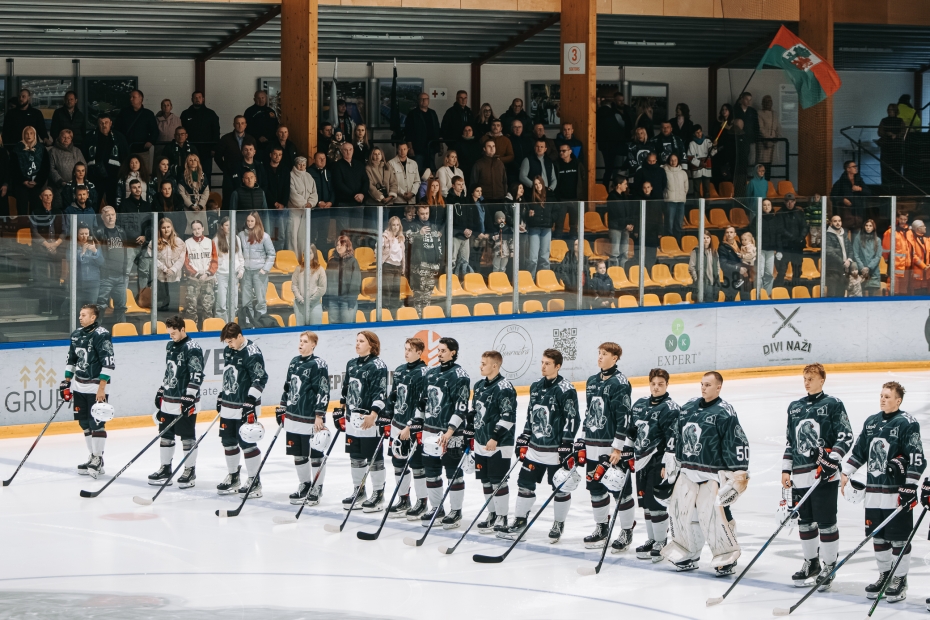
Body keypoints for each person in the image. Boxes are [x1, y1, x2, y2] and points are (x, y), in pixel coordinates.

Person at [841, 381, 924, 602]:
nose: (883, 399)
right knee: (878, 537)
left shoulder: (907, 423)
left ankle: (899, 579)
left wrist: (910, 484)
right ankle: (884, 575)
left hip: (895, 494)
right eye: (881, 395)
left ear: (898, 400)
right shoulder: (871, 423)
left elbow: (917, 457)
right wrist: (845, 472)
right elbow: (859, 451)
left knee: (898, 539)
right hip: (874, 493)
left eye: (888, 396)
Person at [661, 371, 749, 575]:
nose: (703, 388)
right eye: (702, 384)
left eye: (708, 385)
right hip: (688, 470)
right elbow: (677, 433)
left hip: (712, 474)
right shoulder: (689, 407)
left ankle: (727, 555)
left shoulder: (725, 412)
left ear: (719, 387)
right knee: (682, 513)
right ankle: (688, 552)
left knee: (716, 514)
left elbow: (736, 441)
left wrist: (738, 473)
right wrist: (671, 457)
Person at [781, 363, 852, 591]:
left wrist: (834, 458)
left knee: (826, 523)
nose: (807, 382)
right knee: (805, 522)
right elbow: (791, 442)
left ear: (822, 380)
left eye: (811, 378)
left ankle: (829, 565)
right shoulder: (795, 407)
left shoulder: (832, 404)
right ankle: (811, 563)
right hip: (801, 477)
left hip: (824, 476)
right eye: (805, 378)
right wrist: (786, 469)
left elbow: (846, 436)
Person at [499, 348, 580, 542]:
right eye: (542, 363)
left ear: (558, 366)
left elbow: (572, 418)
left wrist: (567, 444)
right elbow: (531, 415)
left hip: (555, 451)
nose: (543, 367)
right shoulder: (535, 386)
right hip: (535, 449)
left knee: (560, 488)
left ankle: (558, 523)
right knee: (524, 485)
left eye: (548, 364)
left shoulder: (566, 389)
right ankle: (519, 521)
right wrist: (525, 436)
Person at [580, 342, 634, 550]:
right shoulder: (592, 381)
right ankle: (601, 527)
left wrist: (618, 448)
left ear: (615, 358)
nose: (600, 357)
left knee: (620, 490)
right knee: (595, 489)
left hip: (611, 449)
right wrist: (582, 441)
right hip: (592, 445)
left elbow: (624, 417)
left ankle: (626, 530)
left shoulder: (620, 383)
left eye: (605, 354)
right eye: (599, 353)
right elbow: (589, 414)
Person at [625, 368, 680, 561]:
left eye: (660, 384)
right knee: (646, 503)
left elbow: (672, 438)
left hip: (658, 461)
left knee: (656, 502)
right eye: (653, 384)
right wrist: (627, 449)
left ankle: (661, 541)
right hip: (641, 461)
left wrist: (667, 464)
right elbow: (632, 431)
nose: (656, 388)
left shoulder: (671, 408)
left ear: (667, 384)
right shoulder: (640, 404)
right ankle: (651, 539)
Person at [416, 337, 471, 528]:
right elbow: (422, 402)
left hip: (451, 435)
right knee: (431, 472)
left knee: (453, 473)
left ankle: (456, 511)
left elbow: (461, 407)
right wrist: (417, 422)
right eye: (438, 350)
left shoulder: (460, 375)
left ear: (453, 352)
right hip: (429, 432)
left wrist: (449, 432)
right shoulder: (430, 374)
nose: (439, 353)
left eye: (443, 350)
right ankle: (436, 508)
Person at [334, 331, 389, 511]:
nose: (357, 344)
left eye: (361, 341)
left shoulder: (378, 365)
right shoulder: (352, 364)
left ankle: (378, 494)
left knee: (374, 458)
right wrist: (341, 410)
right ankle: (359, 490)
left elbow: (380, 392)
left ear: (371, 345)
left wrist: (373, 415)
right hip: (352, 419)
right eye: (356, 341)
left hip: (368, 420)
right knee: (355, 457)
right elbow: (346, 390)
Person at [59, 303, 114, 478]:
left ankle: (98, 458)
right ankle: (93, 457)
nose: (80, 317)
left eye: (84, 315)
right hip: (79, 385)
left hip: (95, 387)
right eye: (80, 314)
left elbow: (109, 363)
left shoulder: (102, 335)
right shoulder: (76, 335)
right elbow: (71, 359)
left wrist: (102, 389)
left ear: (93, 317)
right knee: (84, 422)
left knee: (96, 423)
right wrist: (67, 382)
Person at [148, 315, 204, 488]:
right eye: (169, 333)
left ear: (182, 329)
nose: (171, 336)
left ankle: (190, 470)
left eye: (174, 333)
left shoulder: (193, 348)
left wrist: (189, 396)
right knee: (165, 435)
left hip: (184, 400)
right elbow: (169, 372)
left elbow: (197, 374)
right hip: (169, 399)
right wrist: (161, 390)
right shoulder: (170, 345)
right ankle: (165, 468)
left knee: (187, 437)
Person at [277, 331, 330, 505]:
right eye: (300, 341)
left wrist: (319, 415)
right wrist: (282, 407)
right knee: (298, 455)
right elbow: (287, 386)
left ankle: (317, 487)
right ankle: (305, 485)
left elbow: (323, 391)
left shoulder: (318, 364)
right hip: (293, 416)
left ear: (313, 344)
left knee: (315, 455)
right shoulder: (294, 362)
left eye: (305, 341)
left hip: (310, 418)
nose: (301, 344)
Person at [216, 322, 269, 497]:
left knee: (247, 443)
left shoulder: (252, 352)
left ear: (240, 336)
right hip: (229, 405)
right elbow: (229, 374)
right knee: (228, 442)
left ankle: (254, 481)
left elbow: (260, 378)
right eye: (227, 342)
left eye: (231, 341)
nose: (229, 345)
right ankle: (233, 477)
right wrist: (222, 395)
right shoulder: (229, 350)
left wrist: (250, 401)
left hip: (246, 406)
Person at [470, 349, 517, 534]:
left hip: (499, 443)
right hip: (481, 441)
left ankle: (502, 516)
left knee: (498, 480)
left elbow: (508, 416)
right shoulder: (480, 385)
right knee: (486, 480)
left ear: (495, 365)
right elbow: (475, 412)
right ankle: (492, 513)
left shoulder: (504, 387)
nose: (480, 366)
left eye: (484, 363)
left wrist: (495, 437)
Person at [384, 338, 430, 519]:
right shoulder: (401, 370)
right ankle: (404, 499)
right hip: (397, 424)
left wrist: (411, 426)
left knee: (417, 465)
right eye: (405, 349)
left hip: (415, 427)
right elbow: (393, 395)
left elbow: (423, 403)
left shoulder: (425, 373)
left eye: (410, 350)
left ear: (419, 352)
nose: (406, 353)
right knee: (398, 464)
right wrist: (387, 416)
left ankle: (422, 501)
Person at [30, 188, 64, 313]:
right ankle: (43, 307)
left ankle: (55, 308)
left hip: (57, 250)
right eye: (45, 195)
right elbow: (34, 232)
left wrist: (55, 244)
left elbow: (65, 231)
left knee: (56, 280)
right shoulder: (36, 212)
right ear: (41, 197)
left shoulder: (58, 212)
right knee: (43, 279)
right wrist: (47, 245)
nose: (48, 197)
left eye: (50, 195)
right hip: (41, 250)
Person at [94, 205, 129, 326]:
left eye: (112, 214)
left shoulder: (121, 231)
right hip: (106, 276)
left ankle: (122, 332)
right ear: (103, 217)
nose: (110, 217)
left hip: (120, 275)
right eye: (107, 215)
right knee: (100, 306)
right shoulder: (98, 232)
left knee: (121, 306)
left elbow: (125, 252)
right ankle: (97, 330)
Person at [238, 211, 275, 321]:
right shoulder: (241, 235)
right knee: (246, 300)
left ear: (257, 221)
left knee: (261, 300)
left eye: (252, 221)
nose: (249, 223)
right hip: (246, 272)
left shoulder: (265, 236)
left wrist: (265, 269)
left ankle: (260, 321)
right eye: (248, 221)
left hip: (259, 272)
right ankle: (248, 322)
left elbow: (271, 254)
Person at [83, 114, 129, 205]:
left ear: (111, 123)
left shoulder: (119, 137)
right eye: (101, 123)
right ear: (98, 124)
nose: (104, 125)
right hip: (94, 177)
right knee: (93, 203)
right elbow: (84, 156)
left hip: (114, 177)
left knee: (113, 203)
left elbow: (125, 157)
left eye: (106, 122)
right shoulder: (90, 137)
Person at [407, 204, 443, 317]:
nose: (424, 216)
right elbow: (409, 241)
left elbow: (438, 245)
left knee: (428, 293)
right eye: (422, 214)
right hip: (419, 265)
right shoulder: (413, 226)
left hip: (432, 264)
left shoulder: (434, 226)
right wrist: (419, 234)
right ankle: (417, 316)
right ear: (417, 213)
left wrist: (439, 259)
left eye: (426, 213)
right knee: (418, 292)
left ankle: (426, 314)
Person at [180, 91, 221, 184]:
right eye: (195, 97)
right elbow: (181, 132)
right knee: (189, 174)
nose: (197, 99)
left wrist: (214, 148)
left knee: (206, 175)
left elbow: (216, 132)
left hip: (206, 151)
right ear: (192, 100)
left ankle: (206, 197)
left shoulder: (211, 114)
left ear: (203, 99)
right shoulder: (185, 114)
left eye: (199, 97)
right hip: (189, 151)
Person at [182, 220, 217, 327]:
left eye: (198, 228)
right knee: (191, 307)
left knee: (208, 307)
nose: (197, 231)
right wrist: (196, 274)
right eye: (194, 229)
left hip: (208, 280)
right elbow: (186, 263)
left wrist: (208, 273)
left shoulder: (210, 242)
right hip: (193, 280)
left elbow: (215, 260)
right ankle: (192, 328)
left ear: (203, 228)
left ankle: (208, 329)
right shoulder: (187, 243)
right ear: (191, 230)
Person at [115, 90, 159, 173]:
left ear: (140, 99)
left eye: (133, 97)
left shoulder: (148, 114)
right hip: (126, 150)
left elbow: (155, 131)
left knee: (144, 174)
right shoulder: (124, 113)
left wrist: (150, 141)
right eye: (130, 97)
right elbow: (117, 130)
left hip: (142, 150)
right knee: (126, 173)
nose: (131, 99)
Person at [332, 142, 369, 237]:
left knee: (357, 233)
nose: (348, 152)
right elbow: (338, 184)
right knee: (344, 234)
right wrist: (354, 195)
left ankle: (355, 252)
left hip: (358, 204)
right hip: (343, 204)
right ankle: (344, 252)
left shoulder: (359, 165)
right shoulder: (337, 166)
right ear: (341, 151)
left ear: (353, 150)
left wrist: (362, 194)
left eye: (350, 149)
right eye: (345, 150)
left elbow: (366, 181)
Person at [596, 91, 633, 186]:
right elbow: (623, 125)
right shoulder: (613, 113)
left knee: (608, 168)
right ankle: (618, 183)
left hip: (604, 145)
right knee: (632, 152)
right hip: (616, 143)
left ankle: (605, 188)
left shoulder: (597, 114)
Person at [11, 126, 49, 215]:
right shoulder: (17, 149)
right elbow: (14, 168)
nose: (29, 135)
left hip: (36, 186)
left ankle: (35, 228)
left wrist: (37, 181)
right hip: (21, 186)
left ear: (35, 135)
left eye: (31, 133)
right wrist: (23, 181)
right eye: (26, 133)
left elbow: (45, 168)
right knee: (22, 210)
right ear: (23, 135)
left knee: (36, 211)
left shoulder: (42, 149)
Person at [151, 217, 186, 312]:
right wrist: (164, 269)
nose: (166, 230)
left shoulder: (179, 242)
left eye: (168, 227)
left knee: (174, 307)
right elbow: (153, 257)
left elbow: (182, 258)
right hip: (160, 276)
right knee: (161, 307)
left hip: (174, 277)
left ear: (172, 227)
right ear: (159, 229)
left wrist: (173, 270)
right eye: (163, 227)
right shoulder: (154, 242)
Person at [214, 216, 244, 323]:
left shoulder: (236, 238)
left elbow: (240, 257)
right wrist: (214, 275)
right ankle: (221, 325)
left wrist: (241, 270)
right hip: (221, 274)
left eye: (230, 225)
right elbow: (214, 259)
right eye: (226, 225)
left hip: (234, 274)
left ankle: (232, 324)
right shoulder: (216, 239)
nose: (229, 227)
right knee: (221, 302)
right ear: (222, 227)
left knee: (233, 302)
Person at [325, 234, 360, 324]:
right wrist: (325, 301)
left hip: (347, 302)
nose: (339, 247)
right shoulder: (331, 262)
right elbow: (327, 282)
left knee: (347, 328)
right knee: (332, 328)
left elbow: (355, 283)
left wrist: (351, 302)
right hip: (333, 301)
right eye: (337, 245)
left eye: (342, 244)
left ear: (347, 246)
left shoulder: (353, 261)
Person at [522, 176, 553, 277]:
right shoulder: (530, 197)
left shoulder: (550, 195)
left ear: (543, 184)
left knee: (545, 257)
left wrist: (552, 218)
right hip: (534, 228)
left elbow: (557, 209)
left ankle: (545, 279)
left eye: (539, 183)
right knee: (533, 258)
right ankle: (531, 279)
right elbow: (525, 212)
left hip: (547, 228)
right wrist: (528, 214)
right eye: (535, 184)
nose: (538, 186)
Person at [48, 129, 86, 210]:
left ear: (71, 139)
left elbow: (84, 166)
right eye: (63, 137)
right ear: (59, 138)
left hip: (75, 186)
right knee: (60, 210)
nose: (66, 139)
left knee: (74, 209)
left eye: (68, 137)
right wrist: (61, 182)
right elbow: (51, 169)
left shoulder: (77, 151)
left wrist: (78, 181)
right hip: (59, 187)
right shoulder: (53, 151)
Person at [288, 156, 317, 256]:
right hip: (294, 210)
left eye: (304, 165)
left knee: (303, 236)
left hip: (306, 211)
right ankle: (293, 258)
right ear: (296, 165)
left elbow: (314, 193)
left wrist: (311, 203)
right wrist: (304, 204)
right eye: (299, 164)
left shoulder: (309, 176)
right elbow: (293, 193)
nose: (301, 166)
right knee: (293, 235)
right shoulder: (291, 175)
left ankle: (302, 259)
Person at [776, 194, 807, 288]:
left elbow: (805, 226)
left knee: (797, 270)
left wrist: (801, 237)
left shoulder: (799, 212)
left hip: (797, 246)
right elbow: (780, 229)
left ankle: (796, 290)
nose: (790, 203)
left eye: (792, 201)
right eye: (788, 201)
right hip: (785, 245)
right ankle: (779, 290)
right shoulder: (780, 213)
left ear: (795, 202)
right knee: (782, 270)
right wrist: (794, 238)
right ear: (785, 202)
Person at [264, 145, 293, 249]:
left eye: (280, 155)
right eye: (275, 154)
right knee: (268, 234)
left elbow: (287, 188)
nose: (277, 157)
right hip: (269, 206)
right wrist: (274, 203)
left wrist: (282, 203)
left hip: (282, 207)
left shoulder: (285, 170)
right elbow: (264, 188)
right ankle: (270, 257)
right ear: (270, 155)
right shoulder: (264, 168)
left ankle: (279, 257)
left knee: (281, 235)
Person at [404, 92, 441, 172]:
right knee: (418, 170)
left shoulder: (432, 113)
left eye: (426, 99)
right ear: (418, 101)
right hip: (418, 148)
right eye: (422, 99)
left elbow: (438, 129)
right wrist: (410, 148)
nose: (424, 101)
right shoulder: (412, 114)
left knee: (431, 171)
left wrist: (440, 144)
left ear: (429, 101)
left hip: (431, 147)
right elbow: (408, 132)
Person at [215, 116, 256, 186]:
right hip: (230, 175)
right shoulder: (225, 139)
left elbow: (255, 156)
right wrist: (226, 169)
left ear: (246, 125)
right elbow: (217, 157)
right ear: (234, 125)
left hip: (247, 175)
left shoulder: (251, 139)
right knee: (229, 196)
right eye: (238, 123)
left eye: (242, 123)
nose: (240, 125)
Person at [74, 223, 105, 314]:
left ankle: (90, 328)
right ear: (77, 235)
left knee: (91, 308)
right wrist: (82, 252)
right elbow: (71, 260)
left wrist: (95, 251)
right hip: (79, 281)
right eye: (81, 234)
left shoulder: (96, 245)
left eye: (86, 234)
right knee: (79, 308)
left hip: (93, 281)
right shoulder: (73, 246)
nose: (84, 236)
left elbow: (101, 262)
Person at [604, 176, 634, 268]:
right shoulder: (612, 197)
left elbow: (628, 212)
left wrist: (630, 224)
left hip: (625, 228)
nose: (627, 186)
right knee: (615, 253)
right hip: (616, 228)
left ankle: (622, 272)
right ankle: (615, 273)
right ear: (619, 185)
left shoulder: (624, 196)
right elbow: (616, 214)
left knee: (624, 252)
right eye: (625, 184)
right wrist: (626, 224)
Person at [291, 247, 326, 325]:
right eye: (305, 253)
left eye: (310, 253)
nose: (307, 255)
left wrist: (311, 301)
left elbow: (322, 288)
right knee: (301, 332)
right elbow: (294, 285)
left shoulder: (320, 269)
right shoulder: (298, 269)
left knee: (314, 332)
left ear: (314, 254)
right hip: (300, 305)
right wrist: (300, 300)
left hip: (315, 304)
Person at [824, 214, 857, 298]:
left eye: (839, 221)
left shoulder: (844, 234)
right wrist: (843, 262)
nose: (838, 223)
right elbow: (830, 252)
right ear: (831, 223)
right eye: (835, 221)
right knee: (832, 295)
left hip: (844, 270)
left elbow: (850, 249)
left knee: (841, 294)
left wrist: (849, 260)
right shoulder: (827, 235)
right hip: (832, 270)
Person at [830, 161, 870, 226]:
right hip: (846, 213)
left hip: (858, 212)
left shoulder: (859, 181)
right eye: (854, 166)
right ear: (848, 169)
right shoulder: (840, 182)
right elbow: (832, 196)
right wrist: (842, 199)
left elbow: (869, 193)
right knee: (845, 233)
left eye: (856, 166)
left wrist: (860, 189)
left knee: (857, 233)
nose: (856, 168)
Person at [877, 103, 906, 190]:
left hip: (896, 147)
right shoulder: (884, 120)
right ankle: (885, 187)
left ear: (895, 111)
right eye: (888, 110)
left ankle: (897, 187)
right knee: (885, 168)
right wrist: (887, 134)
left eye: (891, 110)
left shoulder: (900, 121)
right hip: (886, 147)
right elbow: (880, 132)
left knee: (896, 167)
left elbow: (903, 132)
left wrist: (895, 135)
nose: (889, 112)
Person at [883, 211, 911, 296]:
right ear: (897, 219)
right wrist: (887, 260)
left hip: (906, 267)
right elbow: (885, 249)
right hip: (894, 266)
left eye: (905, 219)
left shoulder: (909, 232)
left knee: (903, 292)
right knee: (893, 291)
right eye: (901, 219)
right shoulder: (890, 232)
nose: (903, 221)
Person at [381, 216, 405, 313]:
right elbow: (378, 249)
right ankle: (385, 309)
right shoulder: (385, 236)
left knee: (396, 290)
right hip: (388, 265)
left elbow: (403, 254)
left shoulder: (401, 238)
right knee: (387, 289)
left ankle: (394, 310)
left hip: (398, 266)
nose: (396, 227)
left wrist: (403, 267)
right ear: (390, 226)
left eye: (397, 225)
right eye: (393, 225)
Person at [178, 154, 210, 226]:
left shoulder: (203, 176)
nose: (193, 162)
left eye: (195, 160)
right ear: (187, 163)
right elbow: (181, 193)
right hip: (188, 207)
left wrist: (200, 205)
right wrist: (191, 205)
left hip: (201, 207)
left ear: (198, 162)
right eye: (190, 160)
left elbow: (206, 192)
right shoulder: (183, 176)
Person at [758, 198, 782, 295]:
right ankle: (759, 295)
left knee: (769, 274)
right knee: (760, 273)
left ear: (771, 206)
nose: (767, 207)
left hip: (771, 250)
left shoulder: (775, 219)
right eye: (764, 205)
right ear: (761, 206)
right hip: (760, 250)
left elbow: (778, 235)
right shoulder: (758, 218)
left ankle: (766, 295)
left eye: (768, 205)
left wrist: (779, 250)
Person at [689, 230, 720, 303]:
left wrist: (716, 276)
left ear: (710, 239)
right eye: (703, 238)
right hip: (702, 282)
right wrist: (697, 279)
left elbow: (718, 266)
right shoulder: (696, 252)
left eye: (707, 238)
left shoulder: (714, 252)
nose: (706, 240)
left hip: (713, 282)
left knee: (711, 304)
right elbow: (691, 267)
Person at [853, 219, 882, 297]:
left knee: (872, 297)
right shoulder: (858, 238)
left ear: (873, 227)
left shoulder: (878, 240)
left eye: (870, 226)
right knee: (860, 296)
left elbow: (878, 256)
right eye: (866, 225)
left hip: (873, 272)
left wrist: (869, 267)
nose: (868, 227)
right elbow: (855, 254)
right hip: (861, 273)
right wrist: (862, 268)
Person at [662, 153, 688, 237]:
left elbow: (686, 187)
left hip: (680, 202)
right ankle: (669, 242)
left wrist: (682, 195)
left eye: (675, 160)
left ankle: (678, 241)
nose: (673, 162)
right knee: (669, 223)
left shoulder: (683, 173)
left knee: (679, 223)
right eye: (671, 160)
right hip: (670, 201)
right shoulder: (664, 172)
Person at [687, 125, 715, 199]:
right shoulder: (692, 143)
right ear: (694, 134)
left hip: (706, 169)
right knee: (696, 190)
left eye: (700, 132)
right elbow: (690, 158)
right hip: (696, 170)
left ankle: (707, 207)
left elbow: (712, 153)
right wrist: (700, 163)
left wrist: (714, 146)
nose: (699, 134)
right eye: (697, 133)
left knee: (707, 190)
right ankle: (696, 207)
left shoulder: (708, 141)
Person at [389, 142, 420, 207]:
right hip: (398, 200)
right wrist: (403, 193)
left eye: (404, 149)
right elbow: (391, 182)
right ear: (397, 150)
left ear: (408, 149)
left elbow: (417, 181)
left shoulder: (413, 163)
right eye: (400, 149)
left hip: (411, 201)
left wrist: (412, 193)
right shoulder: (391, 163)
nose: (402, 151)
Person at [718, 226, 745, 301]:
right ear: (725, 234)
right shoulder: (722, 248)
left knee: (746, 301)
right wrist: (738, 268)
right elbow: (723, 264)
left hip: (742, 277)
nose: (729, 234)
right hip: (730, 278)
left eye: (731, 232)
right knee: (729, 301)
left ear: (735, 234)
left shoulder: (739, 245)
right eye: (727, 232)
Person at [757, 95, 780, 180]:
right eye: (766, 101)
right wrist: (768, 138)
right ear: (762, 103)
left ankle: (768, 185)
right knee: (762, 166)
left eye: (770, 101)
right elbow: (761, 128)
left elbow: (777, 127)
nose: (768, 103)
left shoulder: (775, 114)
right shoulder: (760, 113)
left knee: (769, 165)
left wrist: (776, 138)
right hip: (763, 143)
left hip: (773, 143)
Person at [907, 219, 930, 296]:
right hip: (917, 274)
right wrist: (923, 266)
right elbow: (912, 255)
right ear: (918, 228)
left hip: (927, 276)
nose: (925, 227)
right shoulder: (912, 240)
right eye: (923, 226)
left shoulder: (927, 239)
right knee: (917, 292)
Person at [490, 209, 513, 273]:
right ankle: (495, 281)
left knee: (503, 268)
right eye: (499, 218)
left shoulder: (508, 229)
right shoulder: (494, 228)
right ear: (496, 220)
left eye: (503, 218)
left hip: (505, 251)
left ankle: (501, 281)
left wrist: (512, 251)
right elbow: (489, 242)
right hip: (496, 252)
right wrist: (493, 238)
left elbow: (511, 241)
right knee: (496, 267)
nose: (501, 220)